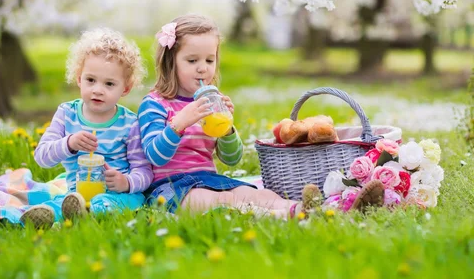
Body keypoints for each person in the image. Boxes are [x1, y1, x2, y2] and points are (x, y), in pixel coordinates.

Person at [138, 14, 383, 217]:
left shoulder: (209, 103)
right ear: (171, 62)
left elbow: (232, 159)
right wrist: (180, 123)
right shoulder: (155, 104)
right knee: (214, 201)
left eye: (209, 60)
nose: (203, 67)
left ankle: (314, 210)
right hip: (170, 186)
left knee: (259, 194)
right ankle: (286, 217)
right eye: (192, 60)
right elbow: (155, 156)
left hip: (208, 177)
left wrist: (227, 129)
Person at [22, 28, 153, 229]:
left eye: (109, 84)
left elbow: (144, 171)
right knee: (61, 203)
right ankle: (48, 215)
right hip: (75, 193)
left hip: (118, 195)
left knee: (111, 203)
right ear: (78, 78)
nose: (97, 90)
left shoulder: (130, 123)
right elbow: (42, 157)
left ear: (125, 88)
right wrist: (69, 143)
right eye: (90, 80)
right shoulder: (67, 114)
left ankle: (81, 213)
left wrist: (126, 182)